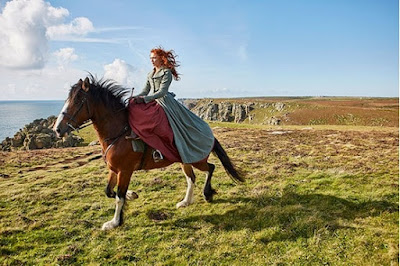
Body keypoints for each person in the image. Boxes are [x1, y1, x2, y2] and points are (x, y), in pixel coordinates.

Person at [128, 47, 215, 163]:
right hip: (151, 100)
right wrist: (136, 97)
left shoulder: (166, 73)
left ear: (161, 58)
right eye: (150, 58)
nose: (152, 60)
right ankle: (137, 135)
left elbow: (162, 92)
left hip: (164, 101)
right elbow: (145, 90)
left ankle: (160, 149)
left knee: (156, 121)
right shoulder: (150, 74)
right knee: (134, 108)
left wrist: (145, 99)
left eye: (154, 58)